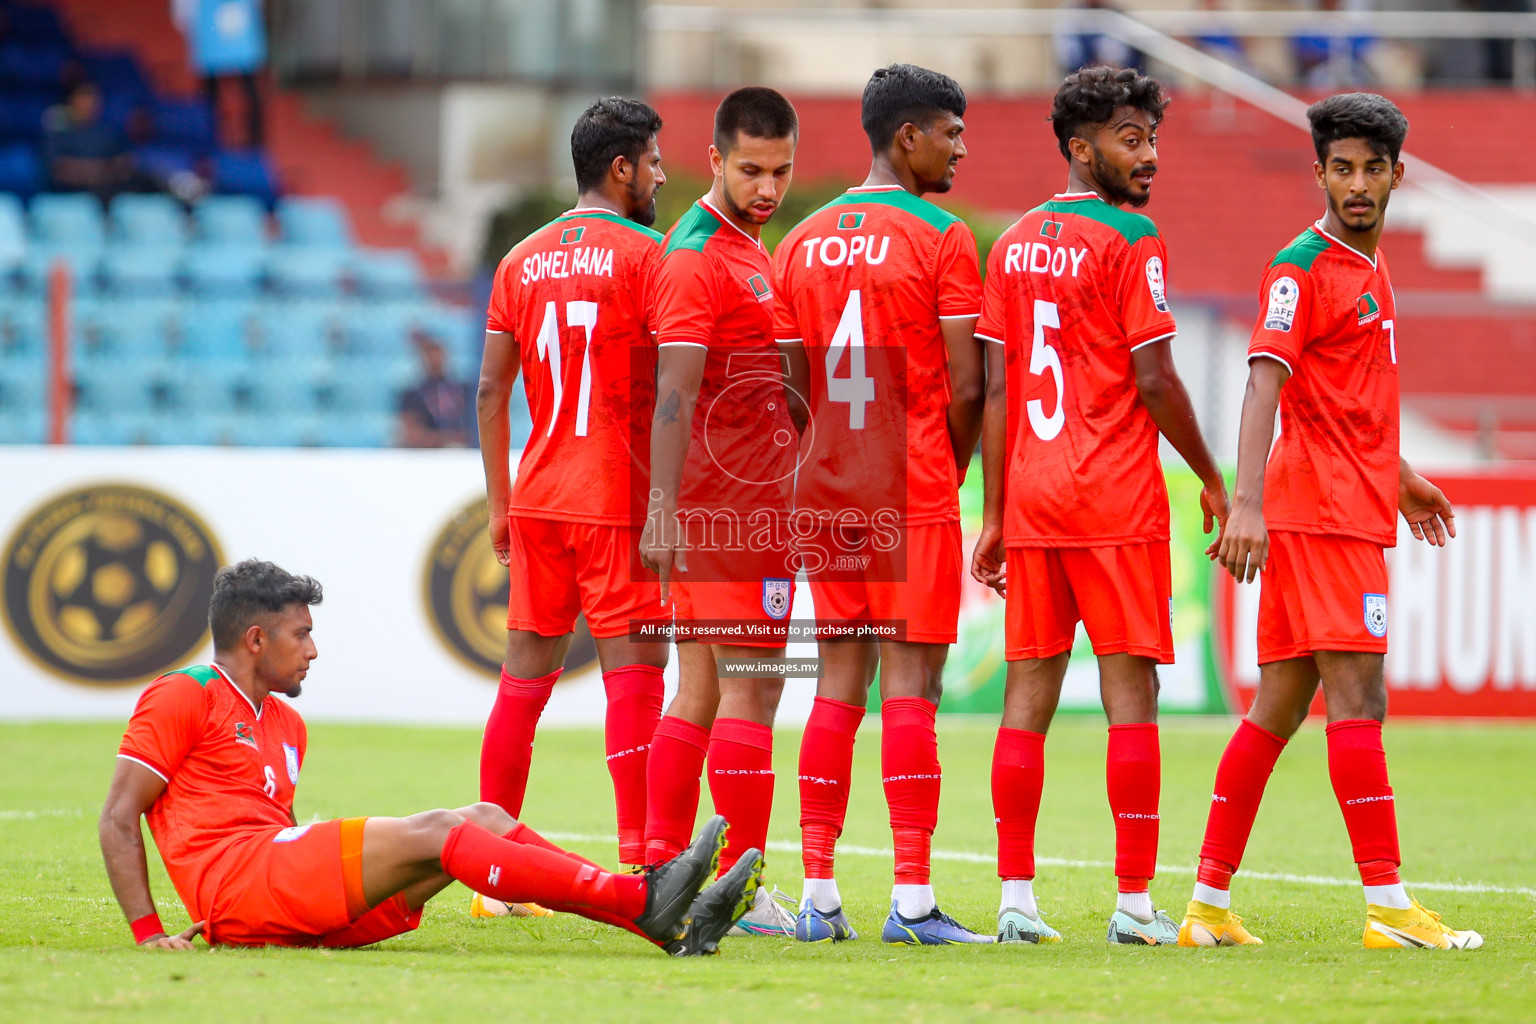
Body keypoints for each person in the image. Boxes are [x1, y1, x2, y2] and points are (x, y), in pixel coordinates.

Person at [99, 559, 762, 955]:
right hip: (242, 886)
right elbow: (119, 817)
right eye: (300, 634)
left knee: (484, 816)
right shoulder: (183, 695)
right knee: (446, 833)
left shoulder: (288, 723)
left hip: (278, 890)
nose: (312, 649)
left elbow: (280, 832)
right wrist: (149, 931)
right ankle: (642, 896)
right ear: (254, 639)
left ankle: (669, 926)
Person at [1179, 94, 1481, 951]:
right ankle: (1390, 909)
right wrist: (1245, 499)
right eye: (1340, 168)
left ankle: (1205, 907)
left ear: (1394, 176)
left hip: (1347, 499)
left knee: (1277, 707)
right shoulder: (1300, 267)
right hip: (1322, 516)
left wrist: (1405, 478)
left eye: (1371, 169)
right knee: (1361, 699)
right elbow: (1263, 382)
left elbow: (1345, 407)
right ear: (1318, 173)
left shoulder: (1373, 268)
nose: (1356, 184)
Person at [971, 65, 1229, 945]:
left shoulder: (1009, 244)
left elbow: (1001, 390)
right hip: (1113, 499)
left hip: (1036, 499)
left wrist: (998, 514)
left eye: (1152, 138)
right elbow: (1154, 376)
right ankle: (1132, 905)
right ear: (1082, 150)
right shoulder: (1131, 239)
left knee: (1025, 700)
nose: (1149, 155)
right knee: (1133, 696)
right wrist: (1211, 476)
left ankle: (1014, 900)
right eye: (1131, 139)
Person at [771, 64, 989, 945]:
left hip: (827, 488)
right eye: (951, 132)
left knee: (835, 687)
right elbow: (969, 384)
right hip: (911, 486)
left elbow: (788, 386)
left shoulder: (798, 240)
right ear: (909, 138)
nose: (961, 147)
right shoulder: (943, 236)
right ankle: (911, 901)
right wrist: (953, 465)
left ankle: (818, 895)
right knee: (911, 688)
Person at [476, 97, 671, 886]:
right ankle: (641, 863)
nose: (661, 174)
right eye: (655, 160)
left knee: (523, 679)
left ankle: (493, 870)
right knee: (636, 672)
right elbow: (678, 389)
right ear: (621, 167)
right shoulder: (651, 255)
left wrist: (499, 506)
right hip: (615, 494)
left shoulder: (519, 258)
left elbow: (491, 392)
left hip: (540, 491)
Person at [639, 86, 801, 937]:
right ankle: (742, 890)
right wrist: (663, 506)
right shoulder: (701, 253)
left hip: (737, 502)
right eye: (750, 170)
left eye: (780, 170)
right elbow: (674, 390)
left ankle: (662, 868)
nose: (768, 186)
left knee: (697, 690)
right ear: (714, 161)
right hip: (728, 509)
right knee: (753, 692)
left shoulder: (745, 245)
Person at [173, 0, 267, 147]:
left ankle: (255, 144)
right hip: (211, 30)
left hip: (239, 27)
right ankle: (211, 141)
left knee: (249, 91)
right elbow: (182, 12)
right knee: (210, 94)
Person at [43, 81, 135, 201]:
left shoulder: (107, 133)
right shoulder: (58, 132)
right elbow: (58, 169)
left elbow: (124, 165)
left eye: (93, 98)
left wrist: (90, 171)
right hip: (66, 198)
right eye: (83, 98)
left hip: (107, 197)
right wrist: (103, 171)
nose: (89, 104)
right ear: (72, 100)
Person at [398, 332, 476, 448]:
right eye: (429, 355)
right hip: (424, 454)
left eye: (438, 355)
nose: (435, 360)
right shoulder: (412, 395)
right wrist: (447, 439)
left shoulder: (463, 391)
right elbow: (412, 435)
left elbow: (472, 430)